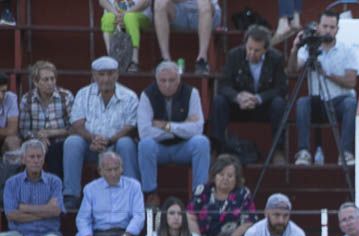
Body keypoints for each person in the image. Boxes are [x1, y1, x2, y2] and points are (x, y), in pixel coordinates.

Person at [64, 56, 139, 212]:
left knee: (126, 143)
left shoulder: (129, 96)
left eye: (110, 74)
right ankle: (72, 195)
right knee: (72, 142)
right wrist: (92, 138)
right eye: (102, 74)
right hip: (90, 145)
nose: (106, 78)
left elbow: (130, 125)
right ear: (94, 75)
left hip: (116, 146)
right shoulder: (83, 94)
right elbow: (77, 123)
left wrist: (110, 140)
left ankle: (132, 195)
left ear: (117, 74)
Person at [289, 11, 358, 167]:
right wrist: (295, 49)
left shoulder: (347, 50)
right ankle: (304, 152)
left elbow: (351, 81)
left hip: (339, 101)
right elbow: (292, 70)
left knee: (351, 103)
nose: (328, 30)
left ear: (337, 29)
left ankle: (345, 153)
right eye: (325, 26)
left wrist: (326, 74)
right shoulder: (309, 49)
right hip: (317, 102)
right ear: (318, 27)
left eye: (332, 27)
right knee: (302, 103)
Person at [137, 61, 210, 205]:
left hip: (183, 147)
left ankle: (199, 195)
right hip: (159, 148)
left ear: (179, 79)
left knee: (201, 142)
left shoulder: (191, 93)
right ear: (156, 80)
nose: (167, 85)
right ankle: (150, 194)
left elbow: (197, 129)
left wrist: (167, 126)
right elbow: (144, 132)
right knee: (145, 144)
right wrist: (183, 127)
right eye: (163, 81)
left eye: (172, 80)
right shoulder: (147, 95)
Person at [210, 25, 288, 158]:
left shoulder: (276, 58)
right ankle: (217, 149)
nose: (251, 53)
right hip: (239, 106)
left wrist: (258, 98)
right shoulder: (234, 55)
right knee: (219, 101)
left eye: (257, 50)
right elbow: (224, 85)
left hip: (263, 107)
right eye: (249, 48)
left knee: (279, 103)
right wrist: (238, 97)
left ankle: (278, 150)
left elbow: (281, 88)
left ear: (265, 49)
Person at [0, 140, 64, 236]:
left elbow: (56, 211)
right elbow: (11, 215)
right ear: (23, 159)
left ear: (43, 158)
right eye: (32, 157)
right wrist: (45, 211)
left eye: (39, 156)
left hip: (47, 234)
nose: (36, 160)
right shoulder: (12, 183)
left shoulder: (55, 182)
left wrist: (25, 208)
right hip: (20, 235)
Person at [76, 150, 145, 236]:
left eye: (116, 169)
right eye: (109, 170)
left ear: (122, 169)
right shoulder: (90, 189)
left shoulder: (133, 186)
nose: (113, 174)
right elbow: (82, 219)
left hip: (126, 233)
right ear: (100, 171)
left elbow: (139, 215)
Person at [187, 154, 256, 236]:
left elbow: (248, 222)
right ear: (214, 176)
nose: (225, 179)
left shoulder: (243, 193)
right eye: (221, 174)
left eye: (230, 176)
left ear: (236, 178)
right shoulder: (202, 190)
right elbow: (190, 216)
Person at [17, 62, 74, 180]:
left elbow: (74, 128)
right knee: (34, 150)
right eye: (45, 80)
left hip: (61, 141)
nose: (50, 83)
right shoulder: (27, 100)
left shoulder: (65, 96)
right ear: (36, 82)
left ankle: (57, 188)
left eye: (52, 79)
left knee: (54, 151)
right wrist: (38, 137)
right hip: (35, 140)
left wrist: (51, 133)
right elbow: (24, 130)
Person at [152, 0, 220, 75]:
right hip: (179, 12)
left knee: (204, 3)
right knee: (159, 2)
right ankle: (165, 59)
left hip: (207, 13)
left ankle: (202, 60)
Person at [100, 0, 152, 72]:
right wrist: (116, 13)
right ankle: (111, 58)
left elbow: (146, 2)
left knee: (129, 17)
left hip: (139, 14)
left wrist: (125, 14)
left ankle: (134, 61)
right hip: (115, 13)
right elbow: (102, 1)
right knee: (107, 18)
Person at [0, 72, 18, 158]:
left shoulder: (10, 98)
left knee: (13, 141)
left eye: (3, 91)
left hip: (4, 141)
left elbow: (12, 131)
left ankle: (11, 171)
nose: (1, 96)